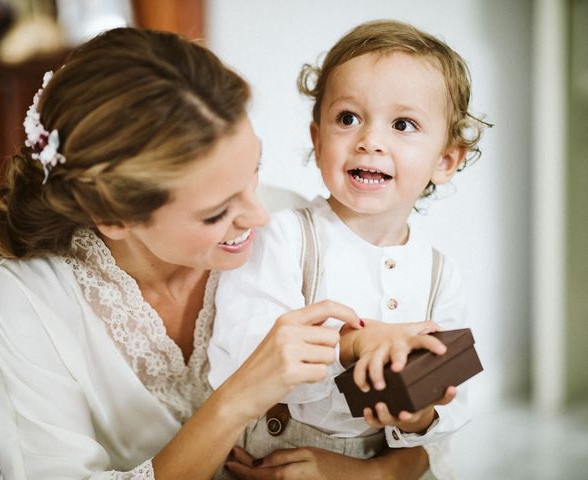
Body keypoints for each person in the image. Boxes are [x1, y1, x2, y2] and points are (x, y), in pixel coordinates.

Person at [0, 27, 436, 479]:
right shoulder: (33, 296)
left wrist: (367, 472)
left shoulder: (296, 227)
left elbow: (426, 435)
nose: (259, 216)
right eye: (216, 212)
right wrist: (238, 398)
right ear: (115, 218)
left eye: (254, 171)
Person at [209, 19, 489, 479]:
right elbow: (242, 355)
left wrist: (421, 416)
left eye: (403, 124)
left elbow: (456, 396)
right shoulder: (286, 237)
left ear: (445, 160)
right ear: (318, 139)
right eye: (348, 118)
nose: (370, 141)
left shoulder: (442, 272)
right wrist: (350, 343)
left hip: (379, 462)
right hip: (274, 456)